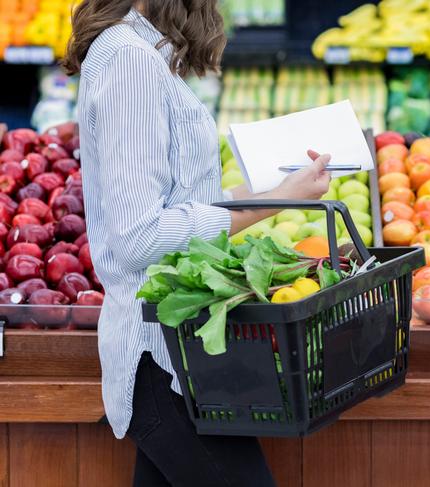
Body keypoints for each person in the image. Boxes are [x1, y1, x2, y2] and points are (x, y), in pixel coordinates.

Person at [63, 1, 331, 485]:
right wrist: (273, 204)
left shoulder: (138, 52)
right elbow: (139, 235)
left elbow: (184, 203)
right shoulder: (131, 63)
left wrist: (281, 192)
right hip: (162, 360)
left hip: (181, 353)